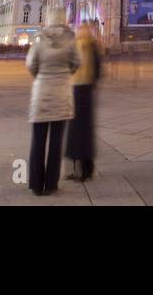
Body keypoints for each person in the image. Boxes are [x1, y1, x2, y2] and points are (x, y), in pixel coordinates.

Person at [26, 15, 80, 195]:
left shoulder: (40, 39)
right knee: (56, 143)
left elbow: (31, 64)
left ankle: (35, 184)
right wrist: (64, 74)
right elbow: (76, 63)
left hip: (42, 94)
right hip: (61, 94)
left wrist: (41, 77)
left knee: (38, 141)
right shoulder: (70, 40)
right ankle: (51, 184)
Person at [66, 23, 102, 182]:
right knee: (79, 132)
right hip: (83, 91)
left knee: (79, 132)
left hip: (79, 91)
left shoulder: (81, 46)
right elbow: (99, 71)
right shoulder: (90, 46)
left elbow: (70, 66)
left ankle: (84, 170)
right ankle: (82, 169)